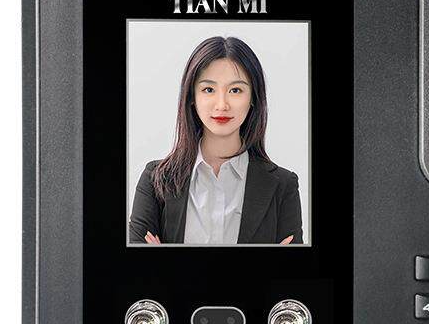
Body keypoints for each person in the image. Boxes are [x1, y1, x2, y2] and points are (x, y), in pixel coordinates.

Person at [129, 36, 303, 245]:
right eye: (209, 89)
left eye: (235, 90)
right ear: (192, 97)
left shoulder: (283, 186)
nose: (222, 105)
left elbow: (295, 268)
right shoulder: (155, 180)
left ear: (253, 98)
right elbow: (135, 264)